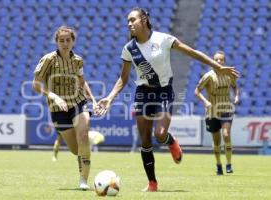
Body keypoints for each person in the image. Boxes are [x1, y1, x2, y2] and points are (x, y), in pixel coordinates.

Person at [96, 7, 239, 192]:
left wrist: (217, 67)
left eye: (133, 20)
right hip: (143, 93)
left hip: (164, 91)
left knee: (160, 134)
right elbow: (123, 78)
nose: (129, 23)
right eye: (128, 21)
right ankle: (152, 183)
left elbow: (192, 52)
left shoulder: (163, 39)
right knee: (145, 140)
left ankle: (171, 142)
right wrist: (109, 98)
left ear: (144, 19)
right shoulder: (129, 49)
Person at [32, 25, 97, 190]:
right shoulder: (48, 59)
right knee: (76, 150)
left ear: (73, 41)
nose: (65, 43)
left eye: (68, 40)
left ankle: (83, 180)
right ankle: (82, 153)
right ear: (56, 41)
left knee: (82, 136)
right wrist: (53, 96)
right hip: (57, 110)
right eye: (61, 40)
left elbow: (82, 83)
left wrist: (94, 100)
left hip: (78, 102)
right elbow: (36, 84)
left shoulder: (78, 60)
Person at [194, 51, 239, 175]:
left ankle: (229, 164)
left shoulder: (229, 74)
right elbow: (197, 91)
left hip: (226, 108)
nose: (219, 61)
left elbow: (235, 86)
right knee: (217, 141)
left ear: (224, 61)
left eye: (221, 60)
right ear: (213, 61)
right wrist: (205, 101)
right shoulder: (208, 76)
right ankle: (218, 164)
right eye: (216, 59)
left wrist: (236, 96)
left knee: (226, 134)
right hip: (212, 111)